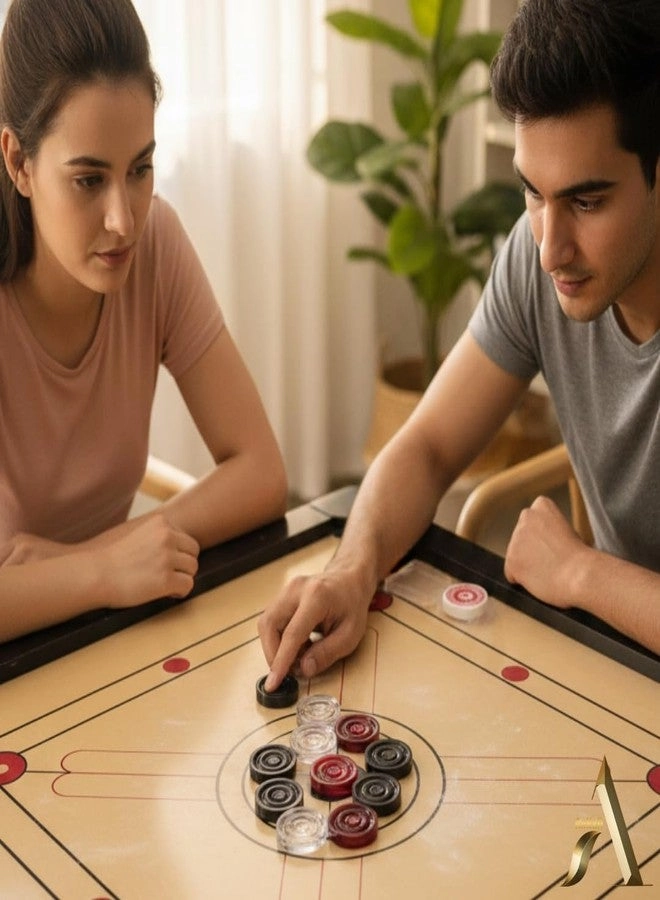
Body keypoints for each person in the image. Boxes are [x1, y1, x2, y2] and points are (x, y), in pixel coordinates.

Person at [259, 0, 660, 688]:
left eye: (587, 202)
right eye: (532, 193)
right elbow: (428, 447)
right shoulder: (537, 257)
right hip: (617, 671)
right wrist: (353, 569)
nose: (550, 249)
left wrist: (579, 572)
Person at [0, 0, 288, 642]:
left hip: (105, 630)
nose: (123, 220)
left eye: (139, 170)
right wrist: (103, 572)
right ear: (19, 163)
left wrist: (96, 560)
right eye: (88, 180)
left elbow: (262, 472)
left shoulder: (155, 244)